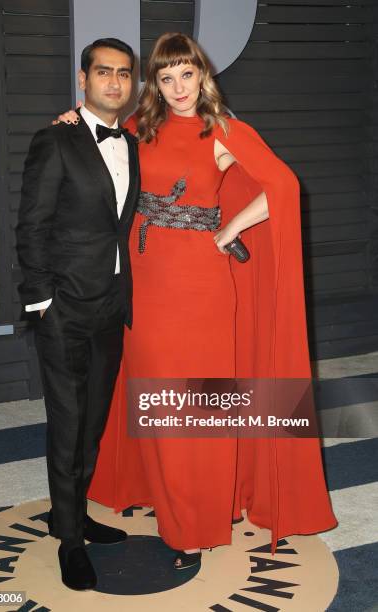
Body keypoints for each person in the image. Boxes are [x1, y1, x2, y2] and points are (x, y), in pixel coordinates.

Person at [58, 32, 337, 570]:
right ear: (155, 85)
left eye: (187, 75)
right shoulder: (140, 127)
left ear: (202, 74)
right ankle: (179, 503)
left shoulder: (223, 130)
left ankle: (193, 523)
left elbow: (283, 186)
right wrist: (69, 121)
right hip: (143, 283)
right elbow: (98, 146)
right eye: (166, 78)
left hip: (201, 286)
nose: (179, 87)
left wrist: (230, 225)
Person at [16, 38, 140, 590]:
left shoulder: (133, 143)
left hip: (112, 305)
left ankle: (76, 512)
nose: (114, 82)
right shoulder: (55, 139)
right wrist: (41, 301)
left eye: (123, 74)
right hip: (63, 308)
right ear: (83, 79)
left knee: (92, 422)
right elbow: (32, 225)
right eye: (103, 72)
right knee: (66, 425)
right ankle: (68, 539)